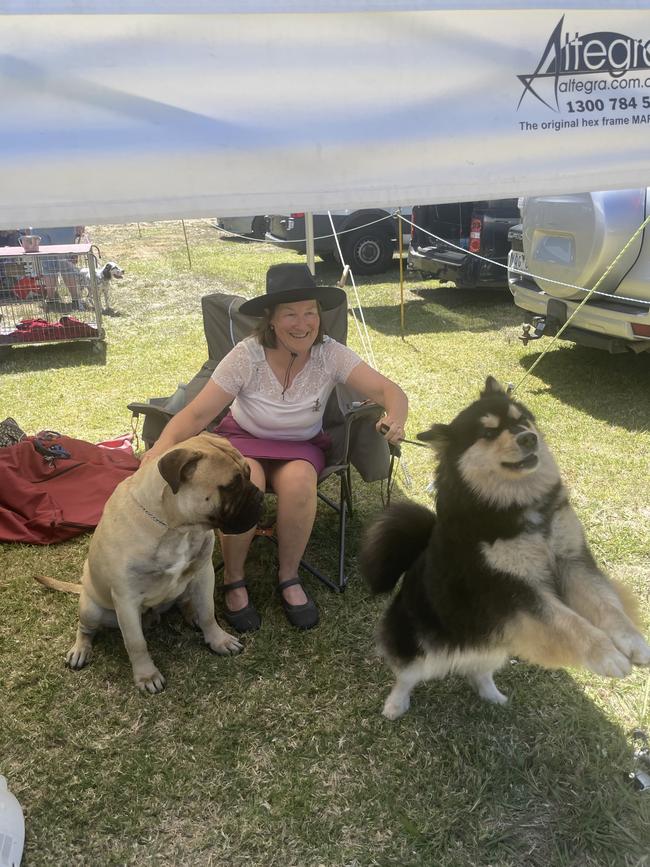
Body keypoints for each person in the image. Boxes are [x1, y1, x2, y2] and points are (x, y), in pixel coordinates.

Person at [142, 263, 408, 631]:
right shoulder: (246, 355)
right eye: (290, 314)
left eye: (310, 312)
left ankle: (289, 575)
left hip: (301, 445)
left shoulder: (331, 354)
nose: (302, 323)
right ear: (270, 320)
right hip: (244, 441)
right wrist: (162, 448)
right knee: (246, 481)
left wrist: (396, 415)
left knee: (300, 481)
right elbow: (198, 412)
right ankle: (234, 578)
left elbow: (388, 391)